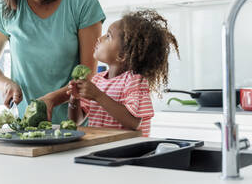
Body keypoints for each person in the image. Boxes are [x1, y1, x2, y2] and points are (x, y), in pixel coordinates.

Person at [67, 9, 179, 137]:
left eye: (108, 36)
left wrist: (98, 95)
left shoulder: (135, 81)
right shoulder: (97, 80)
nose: (100, 38)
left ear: (122, 55)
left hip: (129, 154)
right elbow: (76, 120)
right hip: (102, 151)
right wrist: (74, 99)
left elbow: (133, 122)